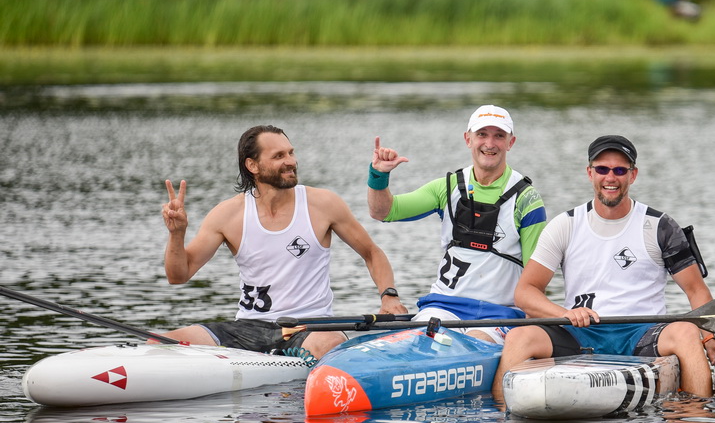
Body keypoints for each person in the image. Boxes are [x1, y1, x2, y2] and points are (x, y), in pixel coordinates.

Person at [492, 135, 715, 401]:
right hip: (580, 332)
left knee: (686, 331)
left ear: (633, 175)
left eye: (620, 170)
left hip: (642, 333)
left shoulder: (660, 226)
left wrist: (710, 340)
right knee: (518, 337)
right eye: (602, 169)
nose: (610, 178)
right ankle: (500, 415)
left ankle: (698, 418)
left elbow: (696, 291)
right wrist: (565, 314)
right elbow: (526, 292)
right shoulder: (565, 225)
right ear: (590, 173)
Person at [161, 124, 405, 361]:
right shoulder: (227, 214)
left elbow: (371, 253)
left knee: (329, 343)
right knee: (162, 343)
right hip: (248, 328)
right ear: (252, 165)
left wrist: (389, 296)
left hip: (310, 328)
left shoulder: (323, 204)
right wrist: (177, 234)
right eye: (279, 156)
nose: (291, 161)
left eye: (291, 153)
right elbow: (178, 276)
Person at [367, 105, 547, 344]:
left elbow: (536, 279)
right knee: (420, 342)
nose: (490, 143)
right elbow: (383, 211)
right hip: (443, 307)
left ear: (510, 142)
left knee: (476, 340)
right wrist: (379, 176)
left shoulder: (527, 199)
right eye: (482, 134)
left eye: (499, 135)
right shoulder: (447, 187)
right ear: (468, 139)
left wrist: (531, 334)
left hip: (500, 313)